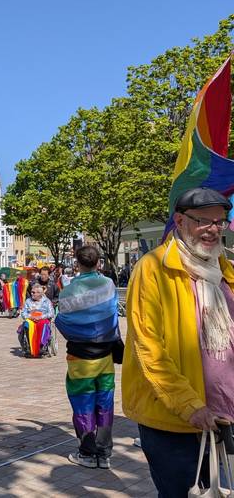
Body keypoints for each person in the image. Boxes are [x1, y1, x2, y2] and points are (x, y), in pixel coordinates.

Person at [122, 187, 234, 496]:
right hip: (174, 420)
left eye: (220, 222)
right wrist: (190, 407)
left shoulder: (225, 270)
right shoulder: (153, 267)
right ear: (180, 221)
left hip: (224, 415)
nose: (213, 229)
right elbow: (149, 348)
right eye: (203, 221)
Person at [55, 245, 123, 470]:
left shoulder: (68, 291)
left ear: (77, 263)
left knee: (83, 403)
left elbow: (62, 322)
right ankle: (104, 454)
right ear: (98, 263)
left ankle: (87, 452)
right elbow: (112, 315)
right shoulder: (109, 285)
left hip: (81, 358)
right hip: (105, 356)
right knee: (104, 403)